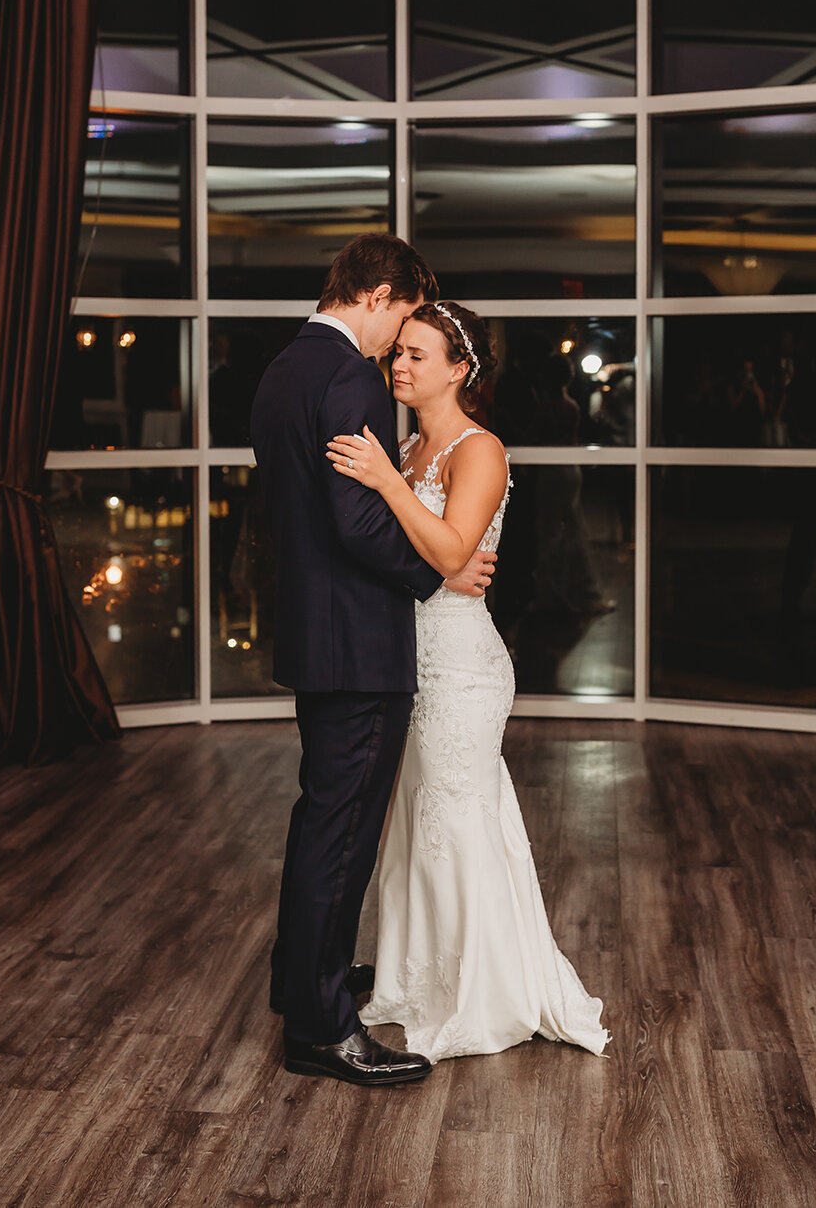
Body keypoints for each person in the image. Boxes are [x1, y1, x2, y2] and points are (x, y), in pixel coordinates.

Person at [326, 301, 609, 1064]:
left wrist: (389, 485)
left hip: (461, 670)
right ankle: (421, 980)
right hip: (408, 661)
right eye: (400, 353)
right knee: (417, 825)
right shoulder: (414, 446)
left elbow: (454, 554)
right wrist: (427, 530)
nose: (401, 366)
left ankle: (489, 993)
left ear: (461, 369)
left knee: (458, 822)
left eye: (419, 355)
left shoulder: (477, 451)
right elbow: (434, 560)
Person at [250, 235, 496, 1088]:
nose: (397, 346)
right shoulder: (348, 373)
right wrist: (441, 573)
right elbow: (357, 525)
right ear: (381, 294)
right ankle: (321, 1027)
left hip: (316, 632)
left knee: (320, 817)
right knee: (341, 829)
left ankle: (301, 978)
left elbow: (291, 510)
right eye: (401, 322)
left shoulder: (284, 366)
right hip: (357, 643)